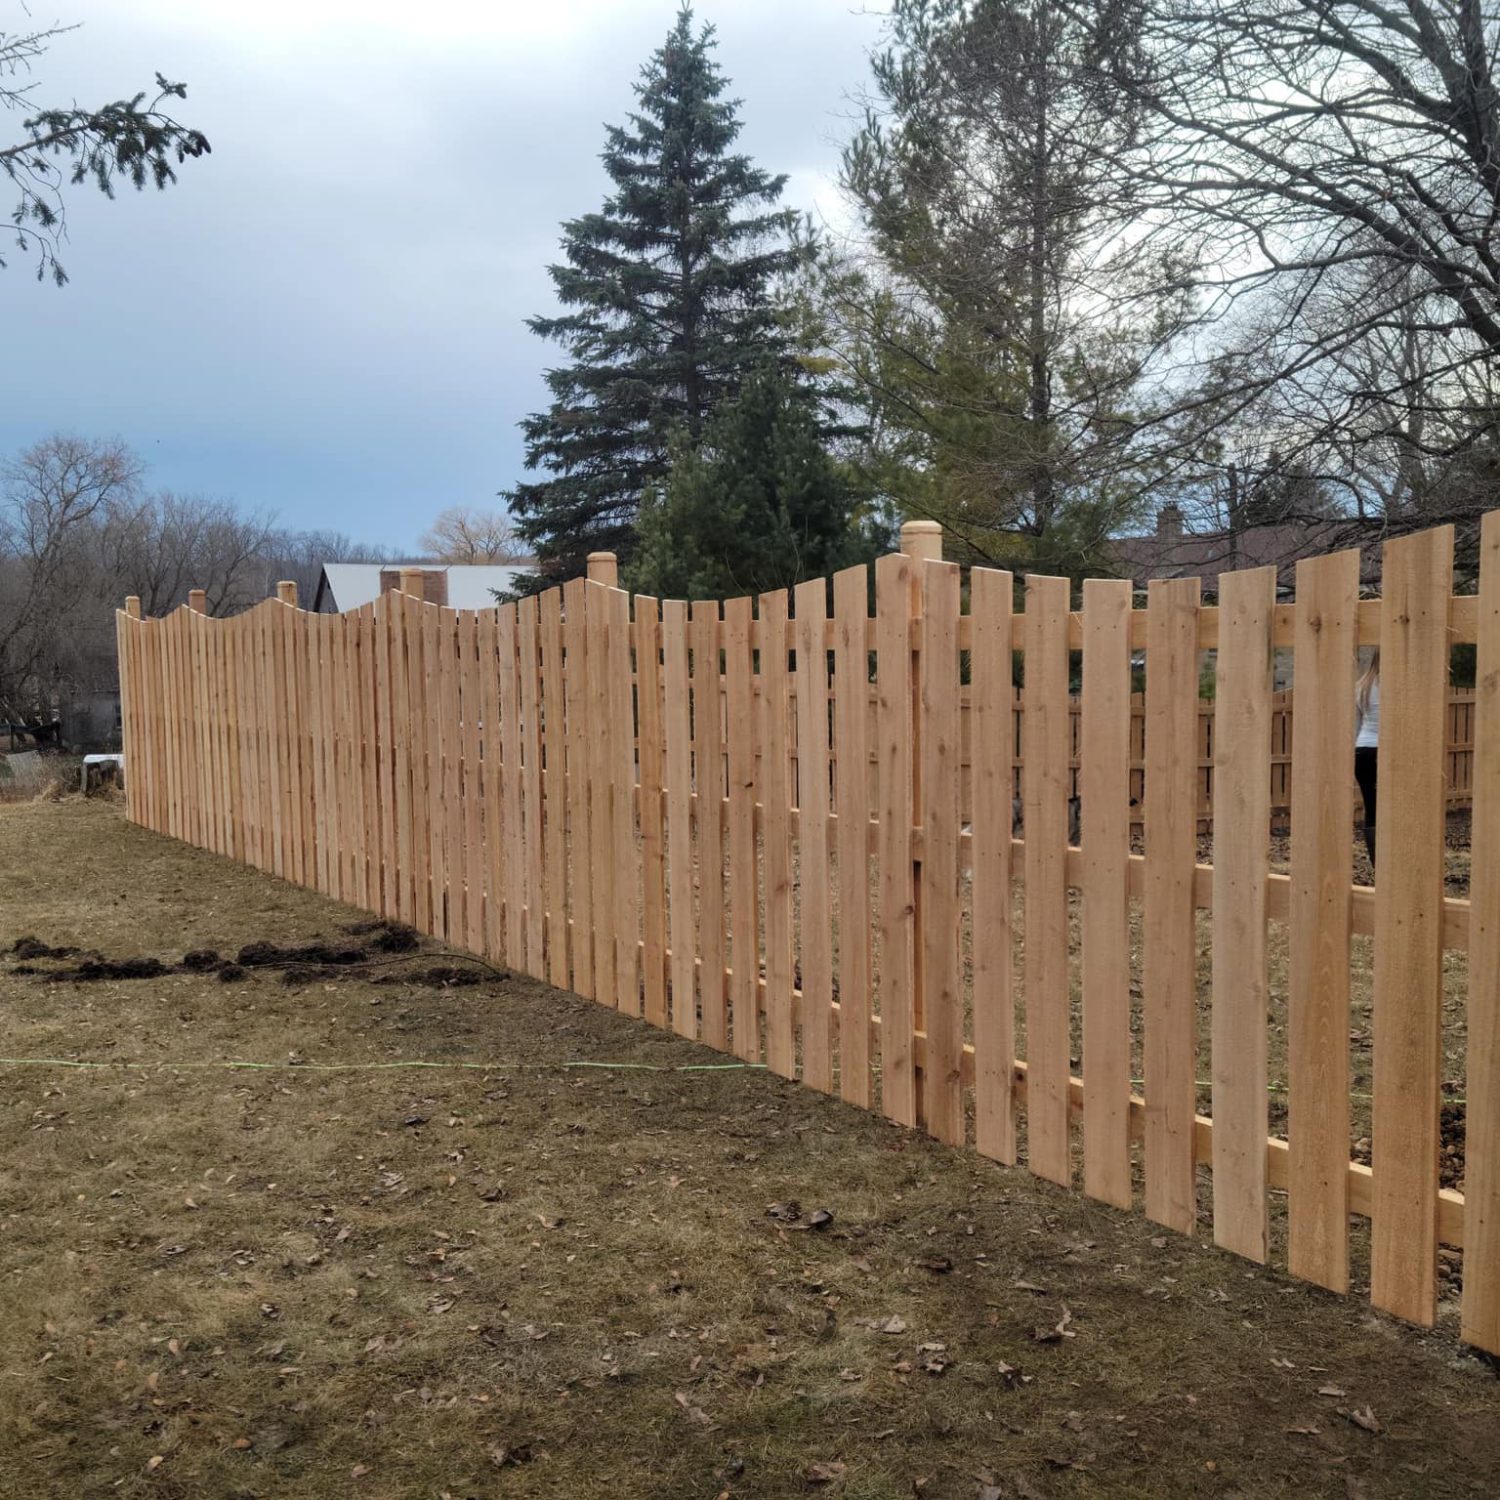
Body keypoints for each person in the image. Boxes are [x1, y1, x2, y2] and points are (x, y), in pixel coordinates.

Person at [1354, 648, 1379, 867]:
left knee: (1372, 806)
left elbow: (1356, 725)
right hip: (1386, 752)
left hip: (1363, 750)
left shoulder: (1362, 685)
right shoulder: (1399, 685)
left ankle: (1377, 862)